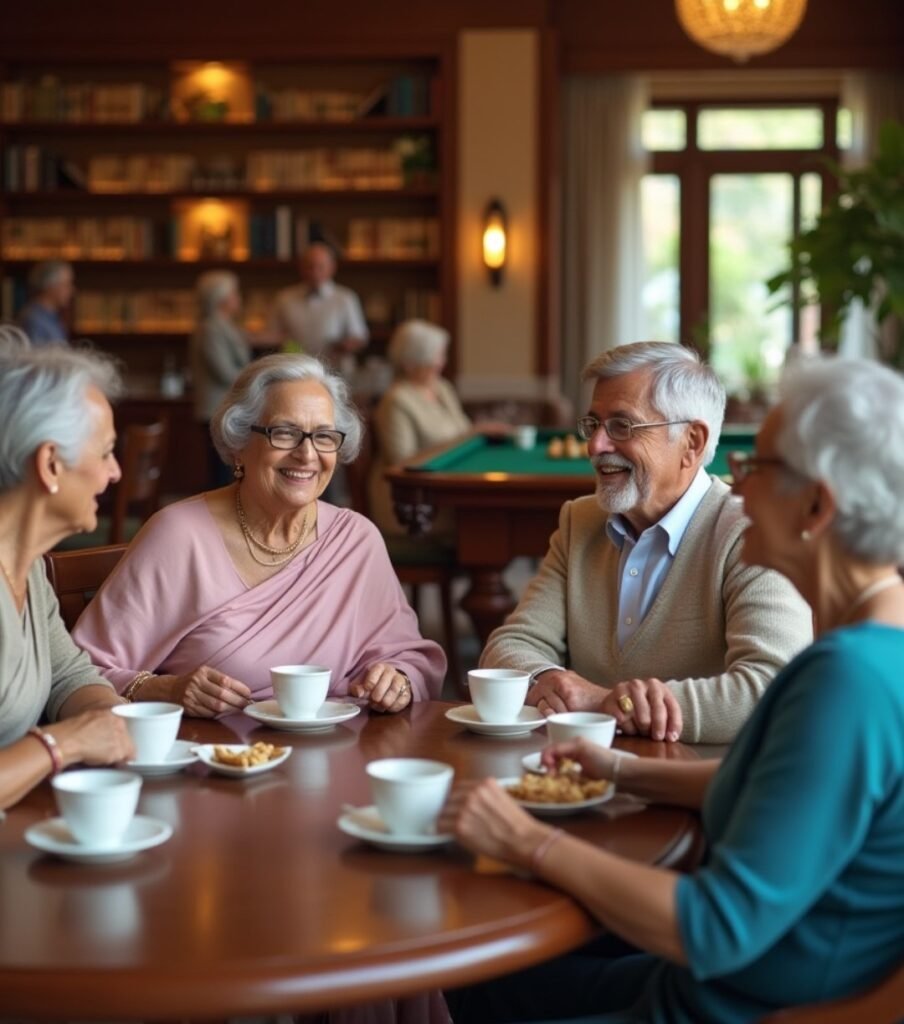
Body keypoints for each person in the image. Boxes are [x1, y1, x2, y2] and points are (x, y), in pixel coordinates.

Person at [444, 355, 904, 1024]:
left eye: (758, 468)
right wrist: (621, 768)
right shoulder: (869, 652)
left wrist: (525, 842)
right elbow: (773, 786)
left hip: (721, 1003)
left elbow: (716, 928)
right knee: (480, 976)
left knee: (479, 962)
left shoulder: (848, 681)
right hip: (722, 983)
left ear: (817, 505)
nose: (738, 489)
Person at [73, 353, 446, 716]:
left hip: (338, 756)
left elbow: (409, 658)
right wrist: (164, 689)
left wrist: (395, 680)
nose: (307, 454)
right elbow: (82, 672)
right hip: (216, 761)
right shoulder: (179, 537)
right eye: (284, 433)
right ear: (238, 443)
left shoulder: (356, 541)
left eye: (324, 436)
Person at [480, 341, 812, 744]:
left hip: (698, 789)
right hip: (574, 774)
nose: (596, 446)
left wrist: (605, 703)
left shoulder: (750, 532)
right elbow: (511, 644)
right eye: (593, 424)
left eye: (622, 426)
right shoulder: (579, 522)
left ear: (691, 442)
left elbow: (771, 688)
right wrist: (547, 678)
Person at [0, 347, 134, 810]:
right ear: (51, 463)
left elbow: (66, 674)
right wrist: (65, 744)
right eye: (106, 452)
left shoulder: (28, 566)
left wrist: (109, 717)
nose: (116, 472)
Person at [370, 318, 471, 535]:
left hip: (448, 489)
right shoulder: (396, 399)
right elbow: (403, 463)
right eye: (435, 356)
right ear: (410, 362)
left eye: (442, 355)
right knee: (482, 520)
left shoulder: (442, 387)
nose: (441, 362)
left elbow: (465, 433)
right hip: (412, 506)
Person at [190, 270, 260, 487]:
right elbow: (224, 372)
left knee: (230, 471)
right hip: (216, 411)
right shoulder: (211, 328)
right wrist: (261, 374)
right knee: (221, 474)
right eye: (234, 293)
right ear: (221, 298)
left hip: (227, 410)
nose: (238, 298)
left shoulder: (226, 326)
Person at [267, 242, 368, 375]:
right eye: (310, 267)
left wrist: (346, 345)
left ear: (332, 268)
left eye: (320, 266)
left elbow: (360, 336)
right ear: (301, 268)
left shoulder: (345, 298)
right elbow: (272, 334)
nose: (314, 272)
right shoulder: (284, 298)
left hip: (337, 372)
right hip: (295, 371)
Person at [16, 260, 74, 347]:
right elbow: (34, 359)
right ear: (51, 286)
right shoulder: (34, 320)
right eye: (66, 284)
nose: (71, 290)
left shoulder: (52, 316)